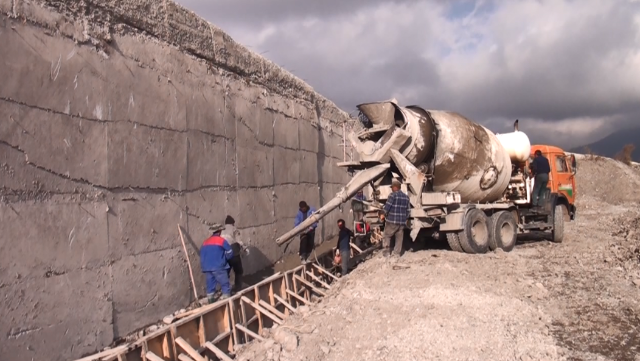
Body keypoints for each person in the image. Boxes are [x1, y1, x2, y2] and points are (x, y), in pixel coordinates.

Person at [200, 224, 234, 303]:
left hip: (207, 267)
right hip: (219, 266)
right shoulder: (221, 240)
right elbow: (230, 252)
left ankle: (211, 300)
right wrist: (225, 259)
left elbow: (202, 254)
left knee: (210, 284)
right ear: (219, 232)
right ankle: (226, 300)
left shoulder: (205, 242)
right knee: (225, 283)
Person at [382, 179, 411, 257]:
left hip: (392, 220)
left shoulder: (392, 195)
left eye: (392, 187)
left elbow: (387, 207)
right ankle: (397, 253)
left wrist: (383, 214)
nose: (391, 189)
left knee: (387, 235)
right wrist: (405, 218)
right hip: (401, 222)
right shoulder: (406, 197)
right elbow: (408, 210)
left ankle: (386, 253)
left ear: (395, 187)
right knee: (399, 238)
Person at [220, 215, 248, 292]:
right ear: (232, 223)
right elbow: (239, 241)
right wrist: (245, 248)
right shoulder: (234, 229)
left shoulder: (221, 230)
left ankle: (226, 290)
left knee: (226, 272)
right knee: (238, 270)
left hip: (224, 252)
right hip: (233, 251)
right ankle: (238, 287)